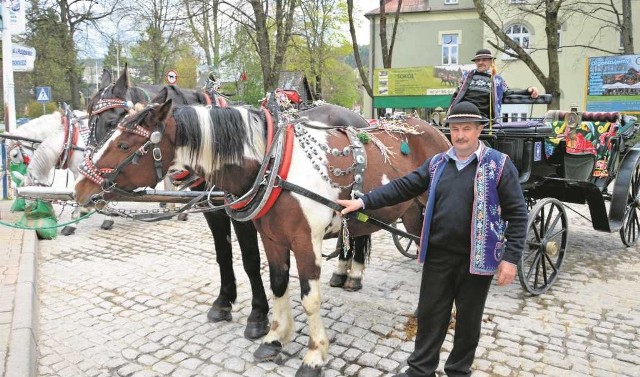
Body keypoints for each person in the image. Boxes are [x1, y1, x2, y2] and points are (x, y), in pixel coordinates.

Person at [337, 101, 528, 377]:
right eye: (455, 129)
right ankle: (420, 370)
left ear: (478, 131)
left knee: (468, 321)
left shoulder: (499, 166)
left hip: (476, 260)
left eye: (466, 129)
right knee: (430, 316)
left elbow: (518, 215)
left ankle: (458, 371)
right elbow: (403, 186)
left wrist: (510, 259)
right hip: (438, 256)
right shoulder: (439, 163)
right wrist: (364, 202)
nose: (460, 135)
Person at [449, 48, 539, 122]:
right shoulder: (467, 76)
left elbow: (509, 92)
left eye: (484, 60)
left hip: (482, 116)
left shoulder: (497, 80)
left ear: (491, 62)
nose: (480, 62)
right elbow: (457, 95)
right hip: (462, 112)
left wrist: (528, 90)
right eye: (478, 60)